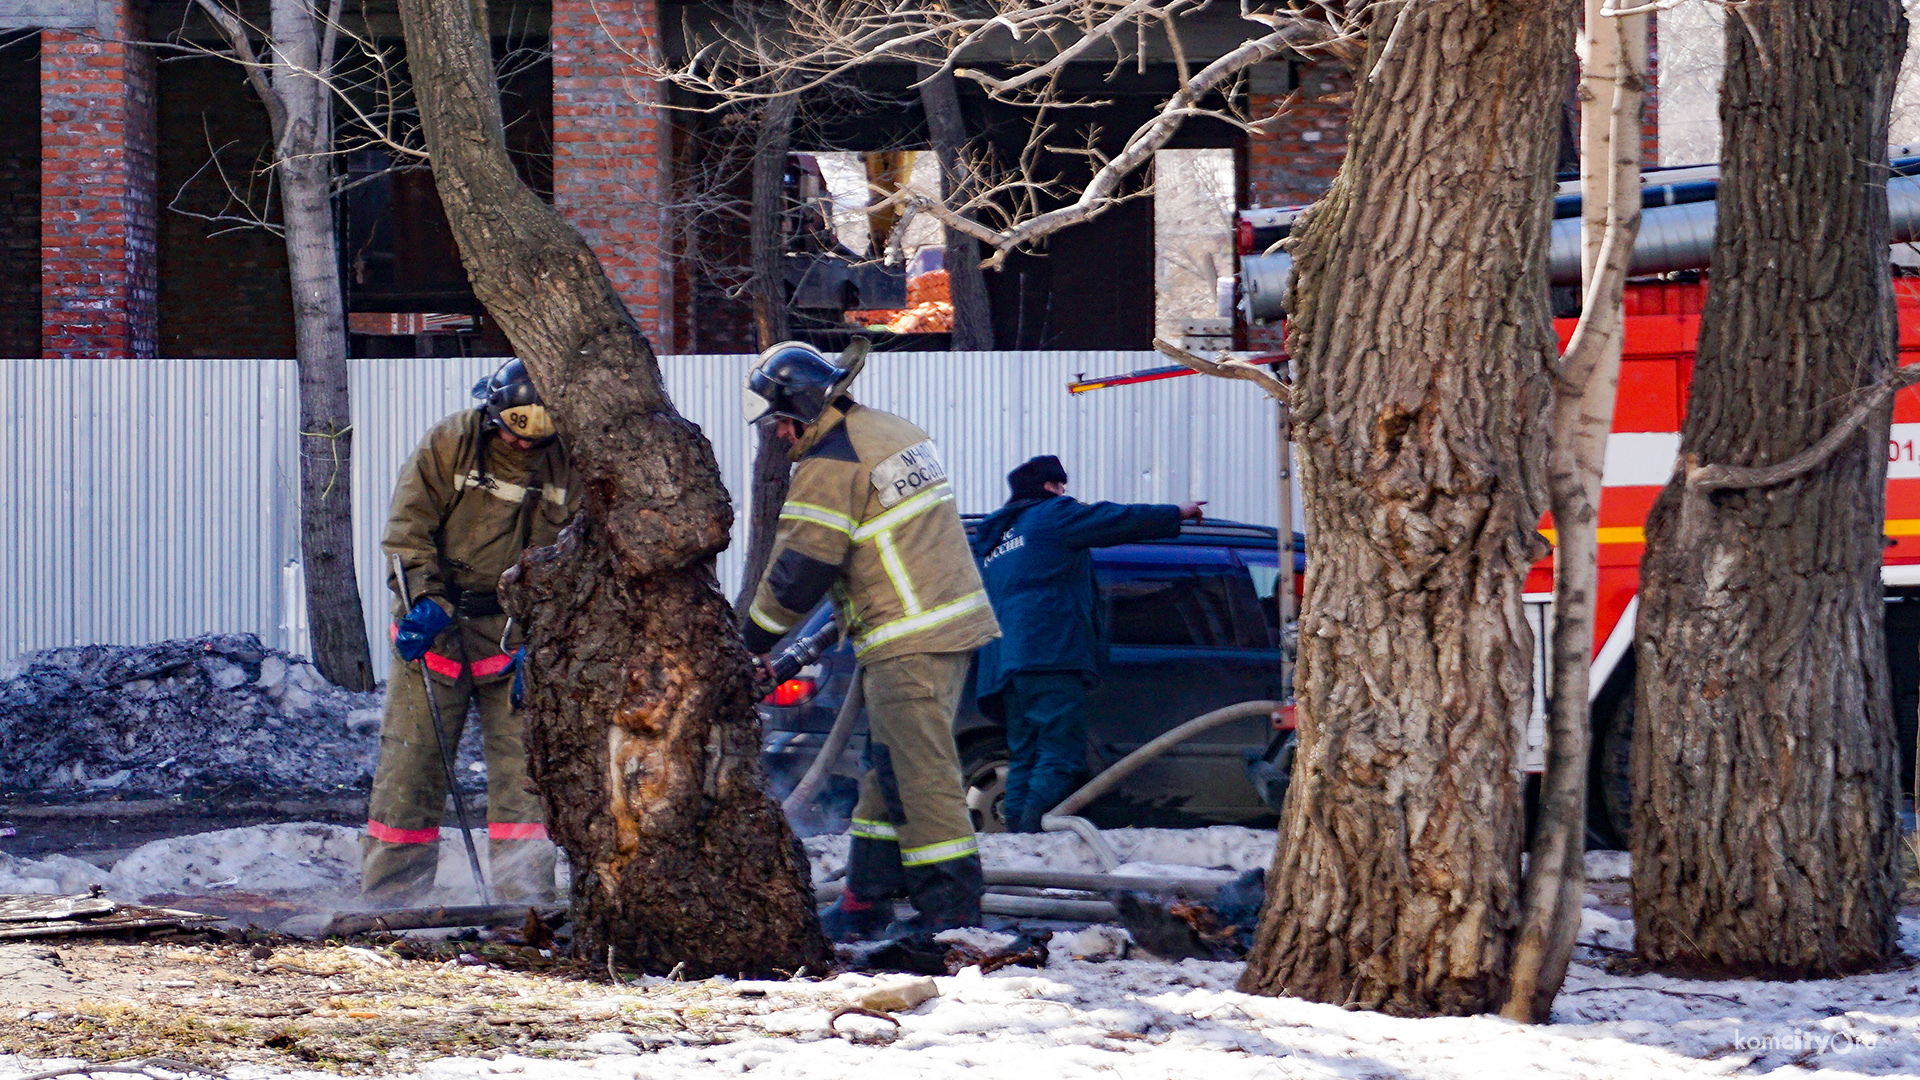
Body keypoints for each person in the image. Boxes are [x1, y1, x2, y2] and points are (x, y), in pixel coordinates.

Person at [739, 341, 1000, 940]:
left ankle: (952, 917)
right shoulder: (888, 430)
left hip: (910, 637)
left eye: (780, 422)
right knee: (888, 768)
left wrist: (751, 640)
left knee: (923, 778)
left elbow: (802, 567)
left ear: (801, 410)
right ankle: (866, 900)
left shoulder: (833, 463)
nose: (778, 436)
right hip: (937, 624)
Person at [362, 359, 582, 904]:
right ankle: (392, 902)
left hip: (517, 636)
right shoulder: (451, 441)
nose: (524, 447)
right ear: (492, 412)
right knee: (410, 773)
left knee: (525, 778)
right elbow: (407, 531)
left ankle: (525, 905)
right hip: (437, 627)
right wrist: (421, 601)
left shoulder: (571, 463)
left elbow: (581, 558)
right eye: (512, 433)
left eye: (536, 439)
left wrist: (550, 634)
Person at [970, 456, 1204, 833]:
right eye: (1060, 485)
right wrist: (1175, 512)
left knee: (1025, 754)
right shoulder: (1052, 514)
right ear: (1049, 487)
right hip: (1049, 655)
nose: (1065, 492)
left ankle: (1014, 836)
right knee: (1060, 754)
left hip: (1004, 663)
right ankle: (1028, 832)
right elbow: (1114, 519)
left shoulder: (997, 538)